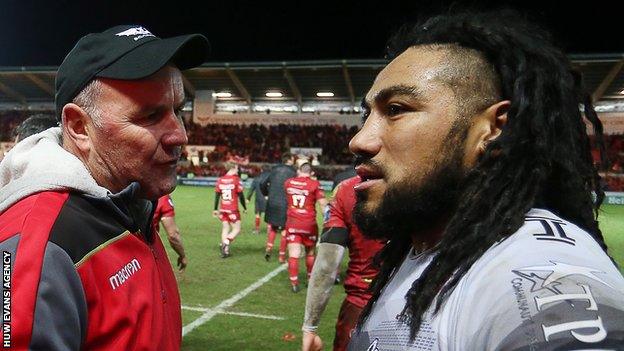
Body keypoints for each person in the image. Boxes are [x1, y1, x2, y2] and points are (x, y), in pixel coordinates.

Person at [347, 11, 624, 350]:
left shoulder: (539, 268)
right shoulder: (430, 244)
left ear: (494, 129)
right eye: (367, 114)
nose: (359, 140)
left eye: (396, 109)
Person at [0, 25, 208, 350]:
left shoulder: (131, 203)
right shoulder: (41, 248)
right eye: (151, 116)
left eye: (178, 111)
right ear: (80, 127)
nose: (179, 135)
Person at [302, 175, 385, 351]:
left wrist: (310, 327)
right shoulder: (426, 183)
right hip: (420, 305)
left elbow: (326, 266)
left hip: (361, 307)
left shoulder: (346, 190)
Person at [284, 162, 327, 292]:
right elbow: (322, 204)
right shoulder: (315, 184)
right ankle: (309, 279)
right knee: (310, 252)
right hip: (309, 224)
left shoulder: (288, 182)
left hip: (292, 222)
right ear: (311, 173)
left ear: (298, 170)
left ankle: (294, 283)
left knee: (294, 253)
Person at [260, 152, 296, 262]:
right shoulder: (293, 172)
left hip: (272, 202)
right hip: (285, 203)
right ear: (289, 160)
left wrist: (266, 194)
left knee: (273, 227)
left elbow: (262, 183)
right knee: (285, 230)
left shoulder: (274, 169)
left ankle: (269, 248)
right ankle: (281, 256)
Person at [213, 162, 246, 258]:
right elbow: (241, 195)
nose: (238, 170)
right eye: (237, 168)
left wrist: (215, 209)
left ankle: (225, 251)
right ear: (233, 168)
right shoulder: (236, 180)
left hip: (223, 209)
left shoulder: (220, 180)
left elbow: (217, 195)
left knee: (225, 228)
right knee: (237, 229)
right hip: (233, 209)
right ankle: (225, 243)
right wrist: (244, 207)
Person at [152, 194, 187, 272]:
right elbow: (173, 236)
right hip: (147, 249)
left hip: (122, 247)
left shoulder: (123, 188)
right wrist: (182, 256)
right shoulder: (161, 197)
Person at [247, 168, 270, 234]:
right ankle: (269, 230)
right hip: (268, 199)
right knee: (268, 215)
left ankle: (257, 230)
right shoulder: (271, 179)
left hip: (258, 200)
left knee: (257, 214)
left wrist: (248, 198)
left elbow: (251, 189)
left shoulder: (256, 179)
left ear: (262, 170)